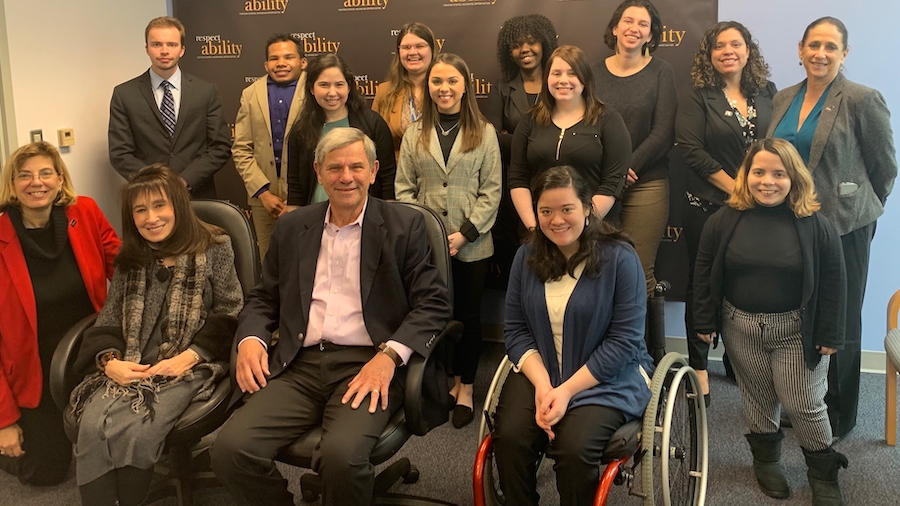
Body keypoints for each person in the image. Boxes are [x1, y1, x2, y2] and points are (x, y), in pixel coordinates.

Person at [210, 127, 452, 506]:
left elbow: (433, 303)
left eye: (356, 166)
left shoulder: (405, 226)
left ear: (373, 171)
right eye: (335, 167)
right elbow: (263, 299)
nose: (346, 176)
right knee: (231, 449)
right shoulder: (293, 227)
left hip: (367, 362)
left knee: (341, 457)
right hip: (299, 364)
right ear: (319, 172)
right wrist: (251, 339)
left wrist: (389, 357)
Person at [71, 164, 242, 506]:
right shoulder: (130, 257)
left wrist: (191, 355)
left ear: (178, 205)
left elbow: (232, 309)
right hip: (130, 360)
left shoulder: (215, 246)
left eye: (159, 205)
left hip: (188, 362)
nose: (151, 218)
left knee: (141, 425)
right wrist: (109, 363)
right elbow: (109, 315)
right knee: (92, 425)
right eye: (140, 210)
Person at [693, 138, 848, 504]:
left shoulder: (815, 225)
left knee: (804, 402)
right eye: (758, 172)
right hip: (739, 327)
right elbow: (703, 272)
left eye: (779, 174)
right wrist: (703, 319)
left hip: (797, 331)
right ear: (746, 176)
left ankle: (823, 475)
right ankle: (766, 461)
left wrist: (830, 332)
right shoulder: (723, 220)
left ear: (794, 178)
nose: (768, 181)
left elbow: (835, 282)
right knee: (758, 397)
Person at [493, 165, 653, 506]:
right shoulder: (526, 256)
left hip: (607, 377)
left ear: (587, 207)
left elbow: (624, 342)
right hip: (544, 369)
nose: (556, 220)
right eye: (545, 211)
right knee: (509, 438)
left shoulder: (620, 258)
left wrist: (565, 391)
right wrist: (543, 386)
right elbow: (517, 332)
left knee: (575, 446)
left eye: (567, 209)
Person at [769, 16, 897, 439]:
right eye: (813, 46)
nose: (820, 54)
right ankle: (806, 400)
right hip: (791, 223)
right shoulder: (783, 98)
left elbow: (886, 166)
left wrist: (860, 205)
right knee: (799, 311)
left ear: (844, 54)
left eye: (830, 47)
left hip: (844, 226)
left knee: (841, 317)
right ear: (801, 51)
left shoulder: (862, 98)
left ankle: (840, 413)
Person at [0, 142, 119, 486]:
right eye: (25, 175)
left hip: (87, 356)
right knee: (45, 473)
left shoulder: (84, 212)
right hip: (30, 371)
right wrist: (5, 420)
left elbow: (124, 267)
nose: (36, 182)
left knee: (111, 444)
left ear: (59, 178)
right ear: (13, 183)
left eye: (45, 173)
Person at [396, 53, 501, 428]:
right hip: (426, 248)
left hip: (472, 244)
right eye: (437, 81)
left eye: (452, 81)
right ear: (429, 87)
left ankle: (466, 386)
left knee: (469, 317)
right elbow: (404, 189)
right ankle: (438, 384)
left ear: (465, 86)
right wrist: (432, 237)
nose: (444, 88)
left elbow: (491, 191)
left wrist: (464, 234)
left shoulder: (484, 132)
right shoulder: (414, 133)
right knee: (433, 316)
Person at [675, 21, 777, 404]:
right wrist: (739, 189)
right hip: (709, 205)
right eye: (720, 46)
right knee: (703, 283)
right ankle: (699, 365)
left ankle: (739, 359)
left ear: (748, 51)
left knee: (744, 283)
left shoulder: (767, 92)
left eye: (736, 44)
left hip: (758, 208)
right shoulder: (698, 95)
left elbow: (777, 144)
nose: (728, 51)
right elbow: (691, 149)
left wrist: (759, 190)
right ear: (710, 54)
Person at [593, 0, 676, 296]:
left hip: (646, 183)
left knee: (639, 273)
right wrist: (612, 174)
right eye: (628, 21)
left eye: (643, 24)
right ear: (615, 28)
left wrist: (628, 166)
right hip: (600, 183)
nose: (634, 28)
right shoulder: (592, 74)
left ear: (652, 36)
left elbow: (663, 131)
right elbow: (588, 128)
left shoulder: (661, 72)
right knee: (601, 270)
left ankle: (643, 344)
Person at [508, 45, 631, 231]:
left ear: (585, 79)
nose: (563, 80)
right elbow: (518, 179)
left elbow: (612, 183)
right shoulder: (529, 120)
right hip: (539, 231)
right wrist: (535, 228)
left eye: (572, 73)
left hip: (594, 231)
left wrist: (580, 226)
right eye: (556, 73)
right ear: (547, 79)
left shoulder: (608, 120)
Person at [108, 16, 232, 199]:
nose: (164, 51)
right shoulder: (124, 94)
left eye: (172, 45)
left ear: (182, 50)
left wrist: (184, 181)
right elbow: (120, 153)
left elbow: (220, 147)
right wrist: (156, 184)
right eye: (157, 44)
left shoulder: (205, 91)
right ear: (147, 49)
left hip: (197, 195)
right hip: (147, 196)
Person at [486, 13, 558, 285]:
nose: (524, 49)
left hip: (555, 180)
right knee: (522, 261)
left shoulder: (559, 83)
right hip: (513, 186)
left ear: (545, 43)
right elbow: (491, 139)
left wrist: (512, 137)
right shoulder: (501, 90)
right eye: (516, 45)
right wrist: (541, 140)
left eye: (531, 42)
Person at [233, 33, 308, 260]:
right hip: (263, 200)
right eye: (274, 59)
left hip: (306, 196)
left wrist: (298, 197)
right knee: (270, 262)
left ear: (303, 62)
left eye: (289, 57)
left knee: (308, 260)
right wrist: (263, 193)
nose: (281, 63)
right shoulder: (250, 94)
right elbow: (241, 149)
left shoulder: (317, 90)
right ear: (266, 64)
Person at [286, 53, 395, 208]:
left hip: (367, 219)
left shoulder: (373, 124)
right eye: (324, 85)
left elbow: (387, 180)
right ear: (311, 88)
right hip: (315, 220)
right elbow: (295, 189)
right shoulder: (300, 131)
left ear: (349, 87)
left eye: (339, 84)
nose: (332, 92)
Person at [372, 22, 438, 159]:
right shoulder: (384, 92)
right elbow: (373, 141)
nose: (413, 52)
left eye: (420, 46)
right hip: (396, 174)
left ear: (432, 50)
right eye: (406, 47)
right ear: (398, 52)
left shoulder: (446, 91)